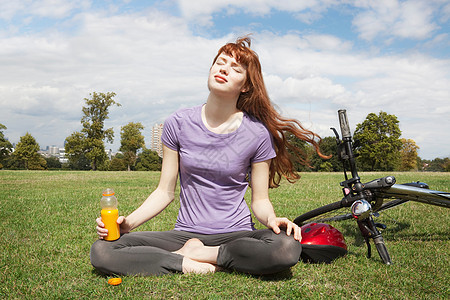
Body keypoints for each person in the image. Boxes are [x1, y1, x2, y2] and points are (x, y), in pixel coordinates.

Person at [90, 36, 328, 276]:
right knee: (102, 250)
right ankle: (186, 262)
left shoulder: (257, 133)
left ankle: (203, 255)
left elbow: (260, 200)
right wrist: (127, 224)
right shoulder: (178, 123)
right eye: (220, 62)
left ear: (245, 86)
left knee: (286, 247)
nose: (224, 69)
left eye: (235, 68)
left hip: (236, 234)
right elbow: (164, 192)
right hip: (184, 233)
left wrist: (272, 219)